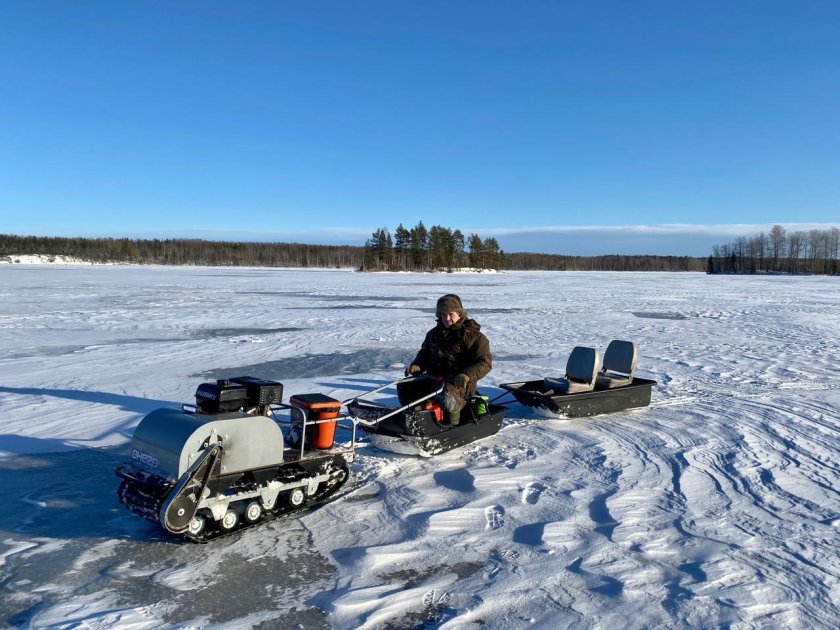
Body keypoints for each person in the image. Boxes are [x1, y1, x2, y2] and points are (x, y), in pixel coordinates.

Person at [403, 294, 492, 425]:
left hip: (460, 382)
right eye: (443, 314)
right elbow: (424, 354)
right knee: (406, 386)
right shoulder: (433, 334)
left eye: (451, 314)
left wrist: (466, 375)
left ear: (460, 314)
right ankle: (416, 420)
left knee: (446, 392)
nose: (447, 318)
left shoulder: (474, 336)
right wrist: (417, 365)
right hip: (434, 377)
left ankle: (451, 425)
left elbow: (484, 362)